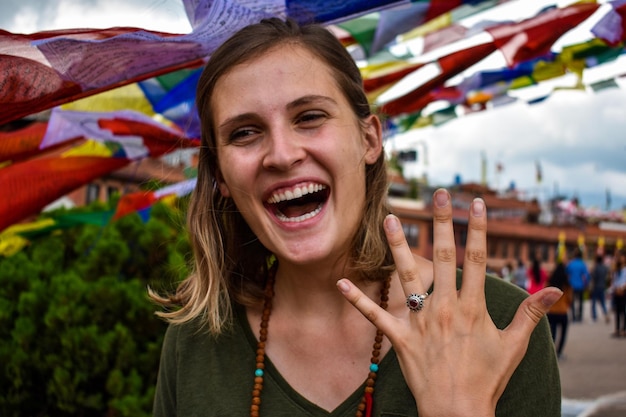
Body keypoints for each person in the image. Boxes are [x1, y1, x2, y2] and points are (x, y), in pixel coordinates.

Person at [150, 18, 563, 417]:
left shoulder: (501, 322)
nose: (281, 154)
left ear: (369, 139)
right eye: (244, 132)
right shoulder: (195, 341)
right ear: (220, 174)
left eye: (309, 117)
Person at [546, 262, 573, 359]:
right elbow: (570, 298)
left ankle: (551, 352)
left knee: (552, 333)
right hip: (563, 311)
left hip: (552, 311)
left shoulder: (550, 282)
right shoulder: (567, 284)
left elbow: (545, 296)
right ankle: (559, 352)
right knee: (563, 333)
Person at [566, 248, 590, 322]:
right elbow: (586, 276)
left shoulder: (571, 264)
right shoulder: (583, 264)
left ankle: (573, 316)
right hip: (580, 285)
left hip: (572, 285)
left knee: (572, 302)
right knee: (580, 301)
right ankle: (579, 316)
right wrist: (586, 284)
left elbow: (566, 274)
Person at [610, 250, 626, 337]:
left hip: (623, 291)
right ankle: (617, 329)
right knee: (617, 311)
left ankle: (623, 329)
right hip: (617, 291)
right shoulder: (616, 269)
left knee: (623, 311)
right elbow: (614, 280)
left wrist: (622, 288)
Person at [589, 254, 610, 323]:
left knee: (594, 302)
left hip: (596, 286)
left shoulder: (596, 267)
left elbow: (593, 277)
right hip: (602, 286)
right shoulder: (604, 267)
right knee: (603, 302)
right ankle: (606, 313)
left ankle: (594, 316)